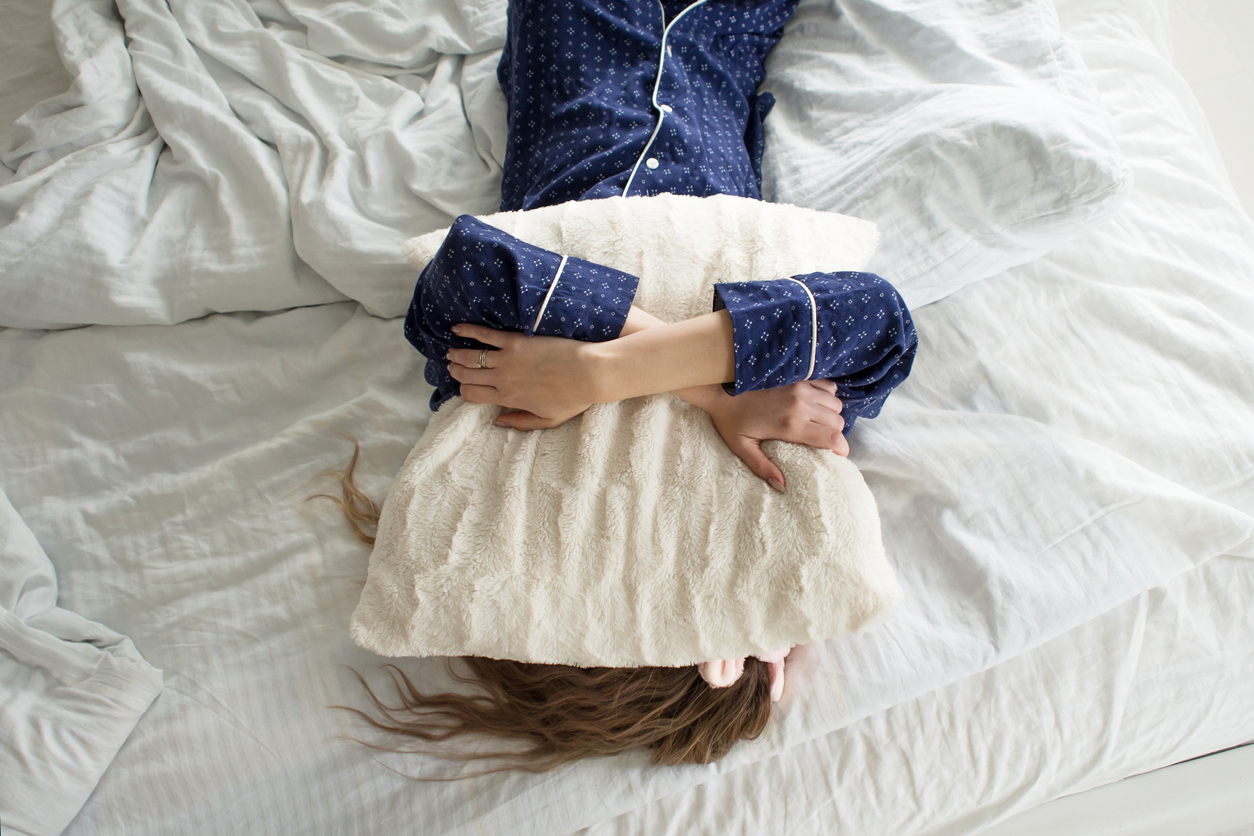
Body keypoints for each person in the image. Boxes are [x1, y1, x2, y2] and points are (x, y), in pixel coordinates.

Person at [336, 0, 918, 772]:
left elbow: (468, 267)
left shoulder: (502, 411)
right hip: (718, 46)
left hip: (575, 48)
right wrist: (690, 388)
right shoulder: (791, 438)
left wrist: (601, 371)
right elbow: (876, 315)